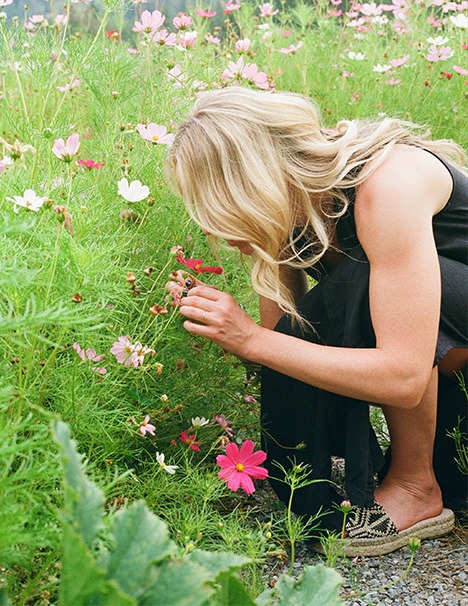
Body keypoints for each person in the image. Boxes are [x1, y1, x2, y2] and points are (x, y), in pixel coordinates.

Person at [165, 86, 467, 556]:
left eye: (218, 201)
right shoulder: (293, 205)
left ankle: (414, 484)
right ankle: (417, 473)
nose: (211, 227)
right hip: (451, 366)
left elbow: (405, 376)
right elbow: (290, 341)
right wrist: (231, 330)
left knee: (362, 285)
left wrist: (249, 339)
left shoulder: (385, 186)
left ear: (255, 181)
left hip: (439, 359)